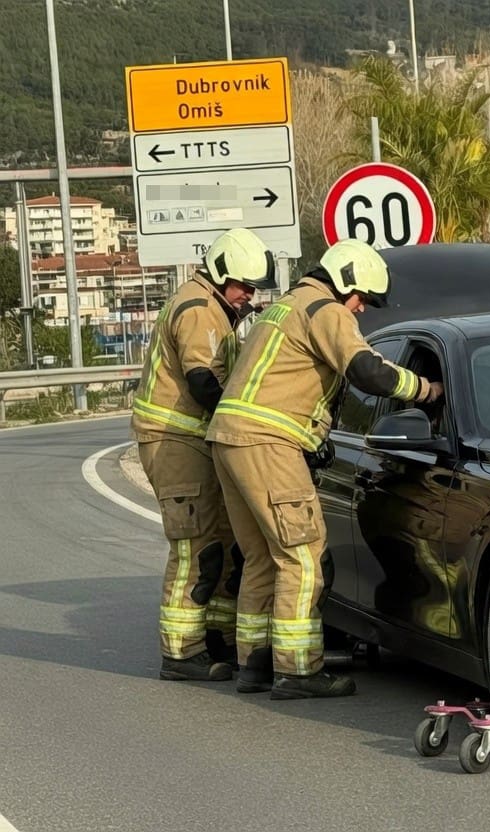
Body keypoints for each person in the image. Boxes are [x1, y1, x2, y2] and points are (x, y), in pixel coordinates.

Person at [206, 238, 443, 699]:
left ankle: (252, 664)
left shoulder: (285, 306)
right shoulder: (325, 308)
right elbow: (368, 371)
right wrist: (426, 391)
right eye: (362, 300)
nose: (359, 311)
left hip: (229, 439)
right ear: (346, 283)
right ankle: (297, 670)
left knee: (260, 557)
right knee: (303, 555)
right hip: (269, 442)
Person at [131, 227, 278, 681]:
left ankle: (214, 636)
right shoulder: (199, 310)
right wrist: (245, 421)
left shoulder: (214, 306)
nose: (247, 295)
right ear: (218, 274)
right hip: (176, 440)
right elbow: (203, 382)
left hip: (193, 440)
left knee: (220, 542)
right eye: (242, 286)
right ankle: (180, 651)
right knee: (194, 545)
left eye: (253, 288)